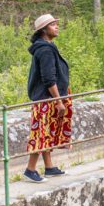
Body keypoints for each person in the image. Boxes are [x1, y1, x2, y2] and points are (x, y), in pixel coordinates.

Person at [23, 13, 72, 182]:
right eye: (53, 25)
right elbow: (49, 78)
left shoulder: (47, 46)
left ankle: (49, 167)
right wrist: (58, 101)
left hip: (48, 98)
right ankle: (30, 169)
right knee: (40, 133)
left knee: (47, 132)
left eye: (56, 23)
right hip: (46, 99)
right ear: (44, 30)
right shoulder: (44, 50)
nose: (57, 26)